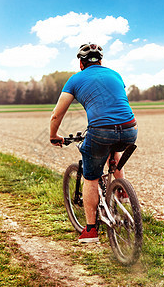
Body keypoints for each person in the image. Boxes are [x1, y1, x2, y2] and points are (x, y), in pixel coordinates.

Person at [49, 42, 138, 243]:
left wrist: (54, 135)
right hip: (130, 129)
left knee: (91, 176)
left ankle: (90, 230)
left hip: (100, 132)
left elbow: (57, 114)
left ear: (81, 63)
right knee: (113, 150)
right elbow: (119, 103)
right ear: (100, 61)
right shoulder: (115, 75)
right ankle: (121, 192)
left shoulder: (75, 80)